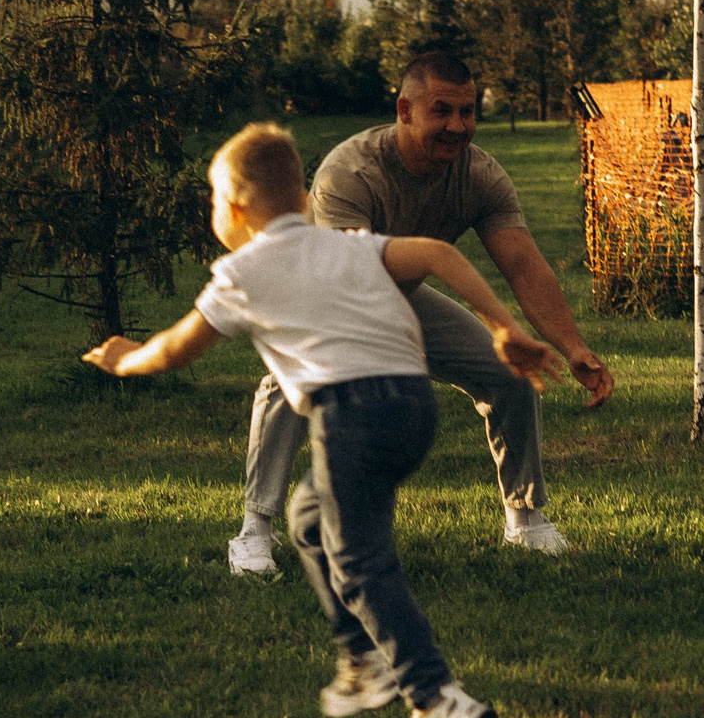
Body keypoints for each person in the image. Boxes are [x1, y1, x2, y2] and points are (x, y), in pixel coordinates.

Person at [86, 122, 559, 718]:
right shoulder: (350, 246)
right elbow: (440, 257)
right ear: (303, 197)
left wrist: (123, 359)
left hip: (352, 416)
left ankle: (438, 699)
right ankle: (364, 660)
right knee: (311, 519)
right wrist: (502, 327)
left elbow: (173, 349)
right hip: (411, 408)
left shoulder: (241, 271)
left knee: (361, 562)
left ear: (236, 208)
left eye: (214, 201)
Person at [227, 50, 614, 576]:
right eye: (442, 111)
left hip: (401, 295)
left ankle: (526, 519)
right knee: (290, 382)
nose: (458, 126)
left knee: (510, 373)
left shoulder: (479, 175)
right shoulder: (351, 171)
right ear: (404, 110)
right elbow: (352, 284)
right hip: (323, 302)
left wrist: (572, 347)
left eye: (468, 111)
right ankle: (254, 530)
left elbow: (522, 263)